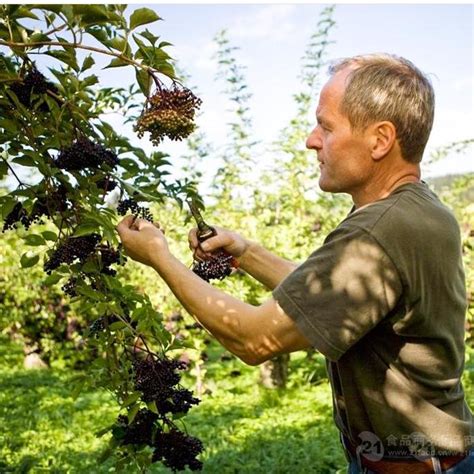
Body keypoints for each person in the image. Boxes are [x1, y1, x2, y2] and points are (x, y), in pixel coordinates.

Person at [117, 53, 473, 473]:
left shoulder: (376, 231)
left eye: (326, 125)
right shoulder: (421, 211)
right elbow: (327, 299)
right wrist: (247, 253)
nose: (311, 139)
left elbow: (254, 340)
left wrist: (159, 256)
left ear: (380, 140)